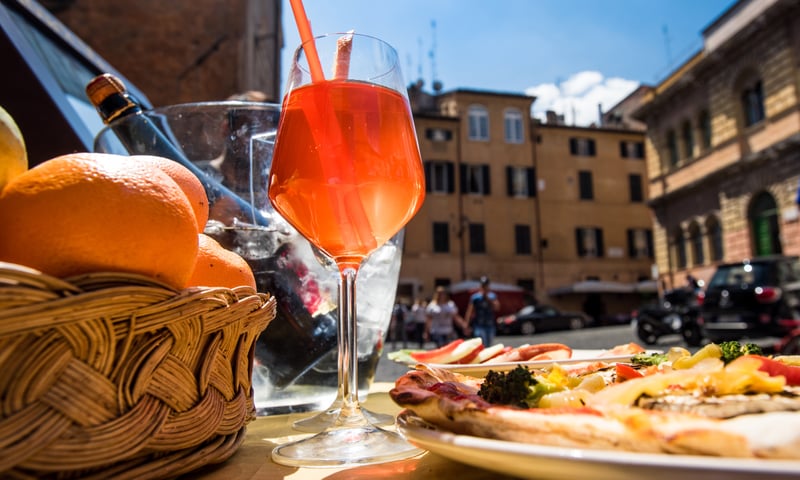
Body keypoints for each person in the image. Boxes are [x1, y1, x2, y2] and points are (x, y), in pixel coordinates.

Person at [465, 276, 501, 346]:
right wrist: (467, 324)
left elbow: (497, 307)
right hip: (479, 325)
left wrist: (487, 298)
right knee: (481, 343)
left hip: (490, 324)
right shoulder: (475, 297)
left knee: (489, 344)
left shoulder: (492, 296)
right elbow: (470, 311)